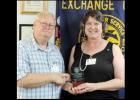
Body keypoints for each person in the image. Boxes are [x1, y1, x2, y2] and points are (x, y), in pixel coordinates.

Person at [63, 10, 125, 99]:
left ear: (103, 27)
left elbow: (121, 81)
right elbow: (71, 78)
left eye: (96, 24)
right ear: (84, 27)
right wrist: (69, 86)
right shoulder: (75, 48)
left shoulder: (113, 48)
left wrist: (94, 86)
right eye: (89, 23)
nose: (92, 27)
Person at [17, 11, 70, 99]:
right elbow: (20, 80)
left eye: (51, 25)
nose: (48, 27)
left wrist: (65, 85)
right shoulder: (21, 47)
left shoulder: (56, 51)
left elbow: (58, 79)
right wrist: (52, 76)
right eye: (44, 23)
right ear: (34, 25)